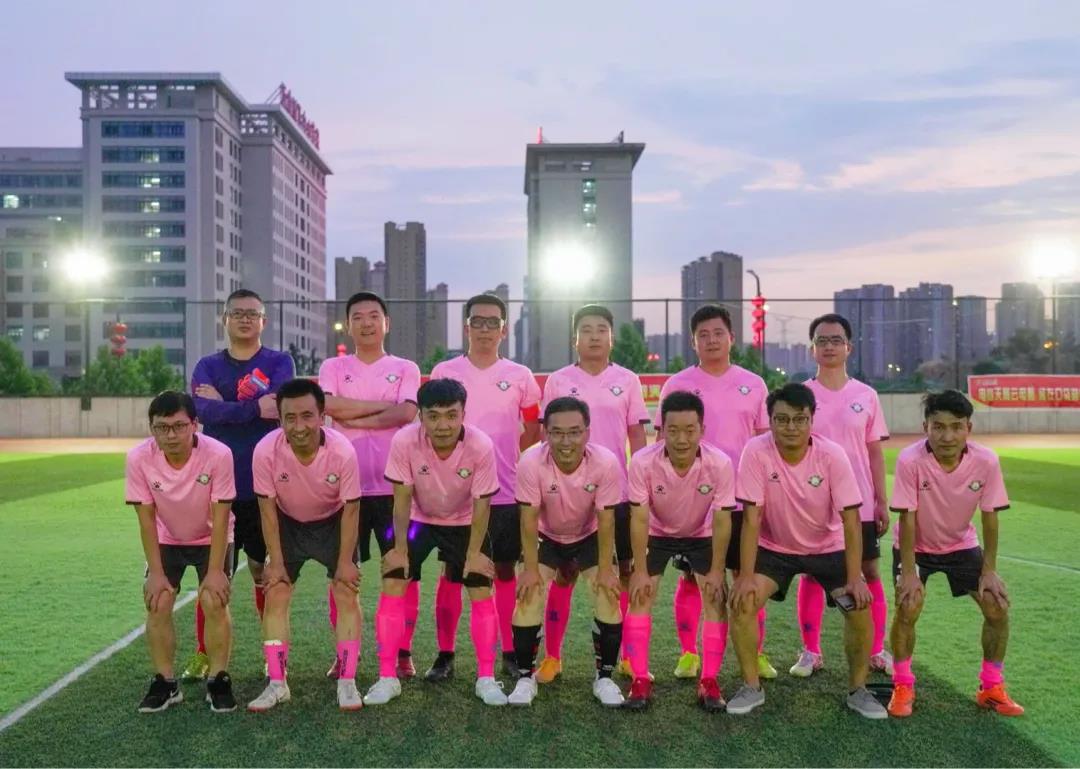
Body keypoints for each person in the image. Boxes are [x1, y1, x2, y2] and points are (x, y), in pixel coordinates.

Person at [725, 383, 887, 720]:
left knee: (858, 607)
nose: (791, 427)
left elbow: (851, 521)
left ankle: (858, 690)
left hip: (828, 547)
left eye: (800, 419)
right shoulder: (755, 451)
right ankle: (752, 687)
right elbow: (752, 519)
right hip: (775, 549)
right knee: (742, 602)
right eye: (782, 419)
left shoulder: (832, 455)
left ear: (812, 420)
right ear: (770, 421)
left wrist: (855, 577)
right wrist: (745, 576)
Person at [365, 378, 506, 707]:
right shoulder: (404, 441)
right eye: (433, 416)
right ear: (421, 417)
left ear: (463, 414)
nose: (443, 425)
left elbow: (482, 504)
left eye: (451, 415)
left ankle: (486, 678)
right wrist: (400, 549)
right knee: (393, 580)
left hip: (465, 522)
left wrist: (474, 553)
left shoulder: (481, 445)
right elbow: (401, 499)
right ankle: (387, 677)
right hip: (418, 520)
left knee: (480, 588)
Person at [886, 390, 1023, 718]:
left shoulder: (986, 461)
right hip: (915, 548)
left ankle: (991, 687)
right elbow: (907, 518)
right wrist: (908, 573)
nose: (947, 436)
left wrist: (989, 570)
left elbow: (990, 516)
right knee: (908, 606)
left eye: (956, 427)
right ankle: (903, 685)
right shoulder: (910, 460)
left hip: (961, 546)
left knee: (996, 607)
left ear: (968, 429)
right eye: (938, 427)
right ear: (926, 427)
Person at [658, 304, 773, 680]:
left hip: (742, 500)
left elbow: (764, 444)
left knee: (746, 575)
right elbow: (662, 443)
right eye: (703, 335)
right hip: (693, 502)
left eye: (718, 333)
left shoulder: (753, 384)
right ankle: (689, 653)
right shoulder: (677, 385)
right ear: (693, 342)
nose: (711, 340)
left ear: (732, 338)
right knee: (693, 578)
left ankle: (755, 652)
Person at [429, 293, 541, 678]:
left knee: (504, 570)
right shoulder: (446, 371)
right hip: (455, 495)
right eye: (478, 321)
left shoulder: (520, 376)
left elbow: (532, 428)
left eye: (493, 322)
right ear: (467, 327)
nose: (485, 329)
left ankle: (509, 650)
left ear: (504, 330)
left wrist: (508, 460)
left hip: (504, 491)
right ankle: (445, 654)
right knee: (453, 571)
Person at [185, 288, 294, 681]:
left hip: (265, 487)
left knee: (266, 572)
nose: (245, 319)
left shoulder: (279, 362)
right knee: (213, 574)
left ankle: (273, 655)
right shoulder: (208, 365)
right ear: (225, 320)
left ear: (264, 321)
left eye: (252, 313)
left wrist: (226, 404)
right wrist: (251, 408)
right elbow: (202, 410)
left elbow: (278, 409)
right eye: (237, 313)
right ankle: (204, 653)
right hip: (217, 489)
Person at [536, 304, 649, 682]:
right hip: (566, 493)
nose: (595, 336)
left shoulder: (628, 380)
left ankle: (626, 655)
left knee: (621, 573)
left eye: (602, 329)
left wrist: (638, 485)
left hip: (615, 495)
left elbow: (637, 435)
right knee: (564, 574)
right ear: (575, 339)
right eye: (586, 329)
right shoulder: (558, 380)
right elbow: (546, 437)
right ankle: (552, 657)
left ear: (611, 337)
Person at [318, 291, 420, 678]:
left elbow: (407, 413)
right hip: (346, 493)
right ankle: (346, 651)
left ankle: (402, 651)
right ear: (348, 325)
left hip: (397, 492)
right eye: (358, 317)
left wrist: (353, 413)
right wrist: (383, 408)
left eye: (374, 316)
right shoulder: (333, 366)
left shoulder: (405, 367)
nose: (366, 323)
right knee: (343, 573)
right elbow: (329, 406)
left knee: (402, 571)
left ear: (386, 323)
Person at [246, 379, 364, 712]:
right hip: (287, 523)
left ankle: (347, 682)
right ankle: (277, 682)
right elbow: (267, 510)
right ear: (279, 419)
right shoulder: (265, 451)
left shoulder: (342, 451)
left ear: (322, 416)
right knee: (276, 591)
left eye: (307, 416)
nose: (299, 427)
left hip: (333, 521)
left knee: (345, 591)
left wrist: (345, 562)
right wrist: (276, 561)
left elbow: (351, 509)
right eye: (290, 418)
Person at [504, 397, 625, 707]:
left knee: (607, 593)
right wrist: (530, 570)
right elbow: (528, 519)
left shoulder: (606, 462)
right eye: (557, 433)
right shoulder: (531, 461)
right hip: (547, 535)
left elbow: (606, 519)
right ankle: (525, 678)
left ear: (587, 432)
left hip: (588, 534)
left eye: (574, 432)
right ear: (546, 433)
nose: (566, 441)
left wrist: (606, 570)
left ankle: (605, 678)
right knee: (529, 595)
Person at [792, 313, 892, 677]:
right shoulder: (803, 396)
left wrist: (881, 500)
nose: (829, 346)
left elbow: (874, 452)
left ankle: (877, 649)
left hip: (859, 502)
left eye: (836, 340)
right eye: (822, 340)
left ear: (849, 347)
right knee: (811, 574)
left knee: (869, 570)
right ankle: (810, 651)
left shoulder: (866, 395)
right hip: (813, 503)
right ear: (812, 349)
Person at [125, 391, 237, 712]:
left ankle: (218, 679)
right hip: (167, 537)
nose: (171, 435)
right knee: (158, 600)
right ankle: (166, 682)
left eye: (178, 426)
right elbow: (146, 520)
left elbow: (221, 516)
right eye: (162, 428)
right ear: (152, 429)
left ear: (195, 425)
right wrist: (156, 573)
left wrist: (215, 572)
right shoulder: (138, 458)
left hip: (212, 536)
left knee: (213, 599)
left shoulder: (219, 454)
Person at [623, 391, 735, 711]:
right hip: (657, 533)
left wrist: (717, 570)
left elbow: (723, 520)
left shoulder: (720, 463)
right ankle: (640, 679)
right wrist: (639, 570)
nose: (681, 439)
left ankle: (709, 680)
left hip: (701, 533)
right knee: (640, 595)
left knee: (715, 597)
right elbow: (639, 517)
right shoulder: (642, 462)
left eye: (689, 430)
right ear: (661, 430)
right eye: (673, 430)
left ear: (702, 430)